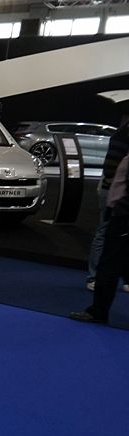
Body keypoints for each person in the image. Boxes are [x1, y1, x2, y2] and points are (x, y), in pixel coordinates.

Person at [70, 148, 129, 324]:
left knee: (108, 265)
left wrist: (119, 209)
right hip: (120, 214)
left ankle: (98, 311)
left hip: (123, 217)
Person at [86, 107, 129, 292]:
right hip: (114, 192)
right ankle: (94, 277)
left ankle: (123, 278)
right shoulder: (120, 138)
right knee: (105, 233)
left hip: (119, 193)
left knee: (120, 236)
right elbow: (110, 169)